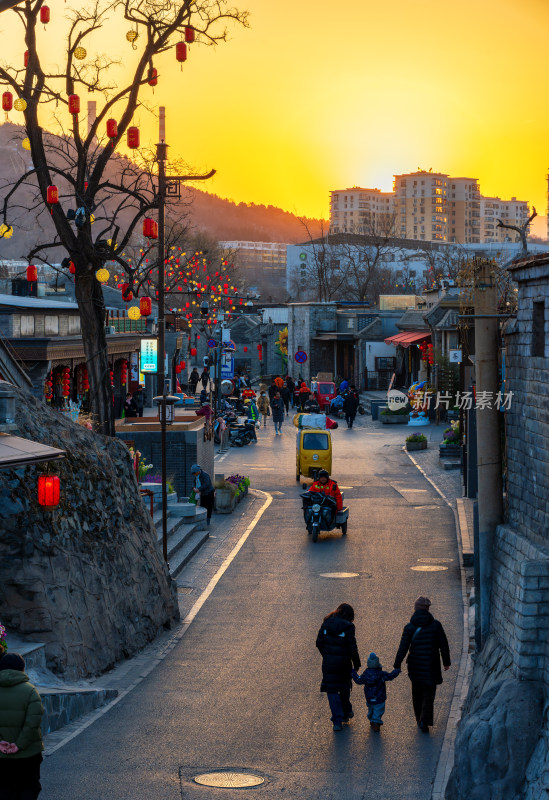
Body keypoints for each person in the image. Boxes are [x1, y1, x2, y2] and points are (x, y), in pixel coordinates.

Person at [393, 596, 451, 733]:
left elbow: (403, 647)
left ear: (415, 609)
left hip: (415, 666)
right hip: (432, 666)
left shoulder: (409, 627)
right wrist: (446, 662)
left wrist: (397, 664)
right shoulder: (436, 625)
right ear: (428, 609)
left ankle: (419, 718)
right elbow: (444, 645)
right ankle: (425, 720)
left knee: (417, 693)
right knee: (429, 694)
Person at [0, 652, 44, 800]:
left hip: (1, 755)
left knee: (4, 790)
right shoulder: (30, 691)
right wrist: (19, 744)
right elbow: (33, 722)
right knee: (29, 788)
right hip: (28, 754)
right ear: (22, 669)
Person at [316, 603, 361, 731]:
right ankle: (346, 713)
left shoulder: (326, 623)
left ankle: (337, 720)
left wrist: (327, 655)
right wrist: (356, 664)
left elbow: (318, 642)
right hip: (344, 664)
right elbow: (353, 647)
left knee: (332, 691)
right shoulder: (349, 627)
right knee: (344, 688)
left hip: (329, 664)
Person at [352, 652, 400, 732]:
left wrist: (353, 672)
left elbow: (359, 680)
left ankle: (372, 720)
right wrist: (397, 671)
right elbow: (390, 676)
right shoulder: (381, 674)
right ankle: (376, 723)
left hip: (369, 697)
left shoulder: (366, 674)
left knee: (371, 709)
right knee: (378, 710)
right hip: (380, 697)